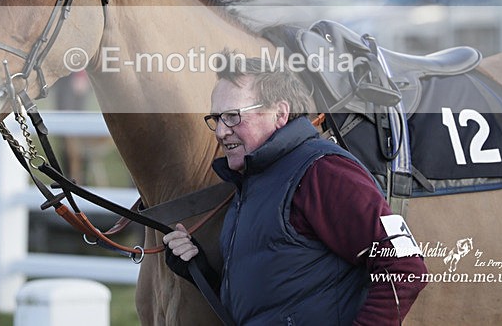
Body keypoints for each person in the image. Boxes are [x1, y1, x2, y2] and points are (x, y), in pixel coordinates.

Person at [163, 52, 428, 325]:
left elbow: (406, 265)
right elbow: (270, 304)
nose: (220, 132)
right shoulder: (250, 185)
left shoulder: (323, 172)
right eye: (216, 118)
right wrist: (198, 270)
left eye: (232, 116)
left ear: (280, 113)